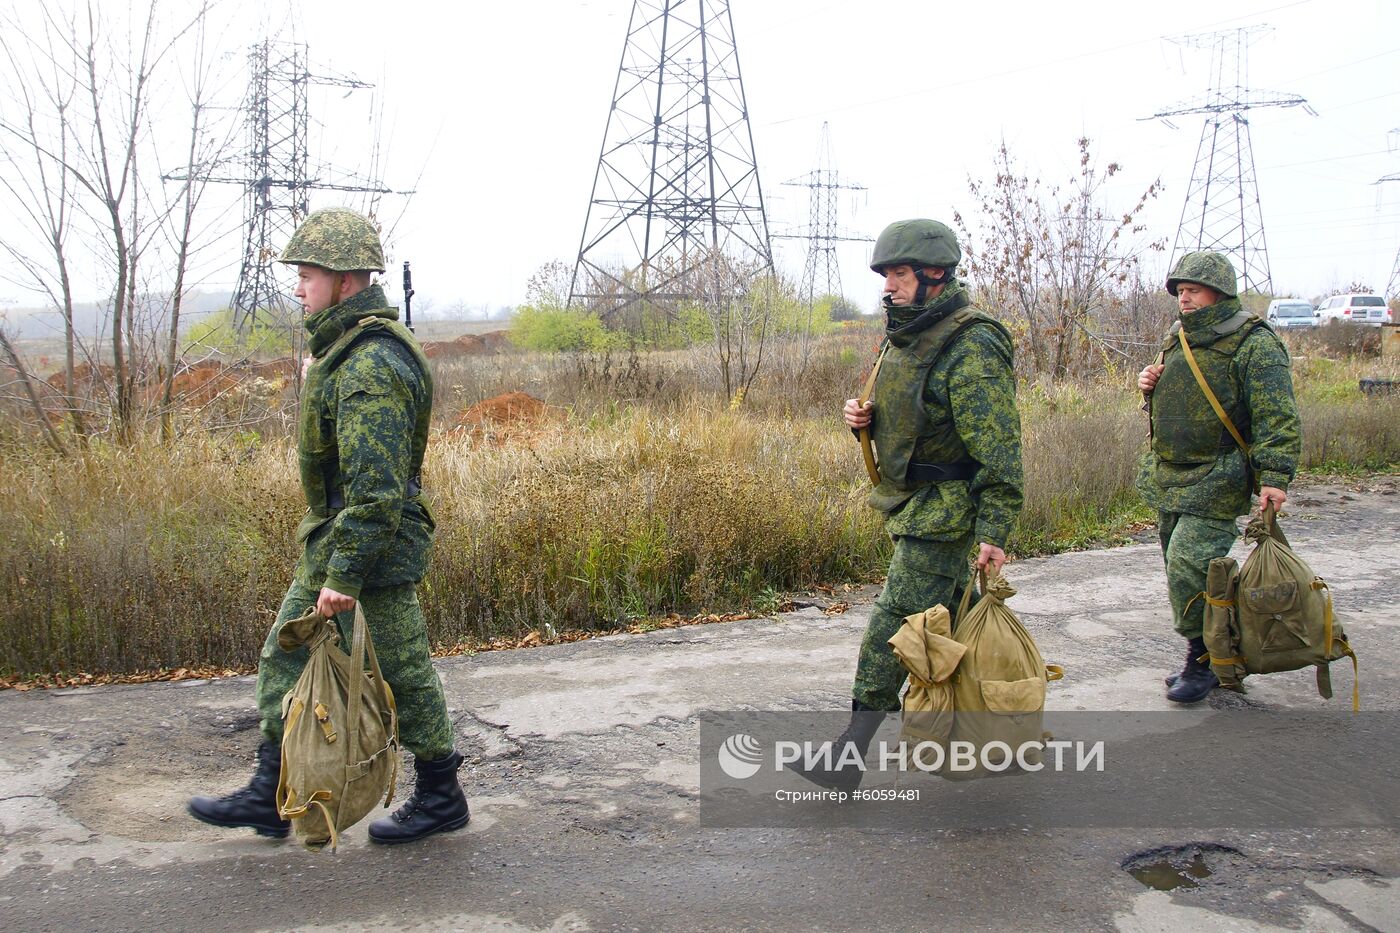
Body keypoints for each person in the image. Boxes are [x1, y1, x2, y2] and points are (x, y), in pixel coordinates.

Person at [188, 208, 469, 845]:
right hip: (335, 542)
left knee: (402, 669)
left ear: (345, 281)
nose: (297, 289)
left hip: (371, 552)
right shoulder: (345, 354)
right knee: (283, 657)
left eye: (307, 276)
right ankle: (269, 792)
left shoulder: (370, 367)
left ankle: (443, 793)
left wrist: (344, 575)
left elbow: (376, 491)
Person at [802, 218, 1024, 791]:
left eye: (898, 273)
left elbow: (999, 450)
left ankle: (849, 757)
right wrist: (867, 421)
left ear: (934, 273)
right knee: (948, 632)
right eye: (884, 274)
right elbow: (920, 414)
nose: (888, 285)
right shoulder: (905, 335)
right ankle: (980, 741)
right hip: (913, 505)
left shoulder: (970, 342)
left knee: (892, 630)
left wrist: (996, 530)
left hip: (946, 513)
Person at [1137, 250, 1302, 703]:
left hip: (1221, 475)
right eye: (1180, 292)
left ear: (1220, 292)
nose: (1184, 299)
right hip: (1170, 475)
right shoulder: (1178, 337)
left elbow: (1278, 416)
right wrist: (1151, 385)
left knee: (1191, 565)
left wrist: (1275, 476)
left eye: (1192, 290)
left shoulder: (1255, 342)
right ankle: (1216, 654)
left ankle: (1204, 662)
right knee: (1179, 567)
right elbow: (1179, 401)